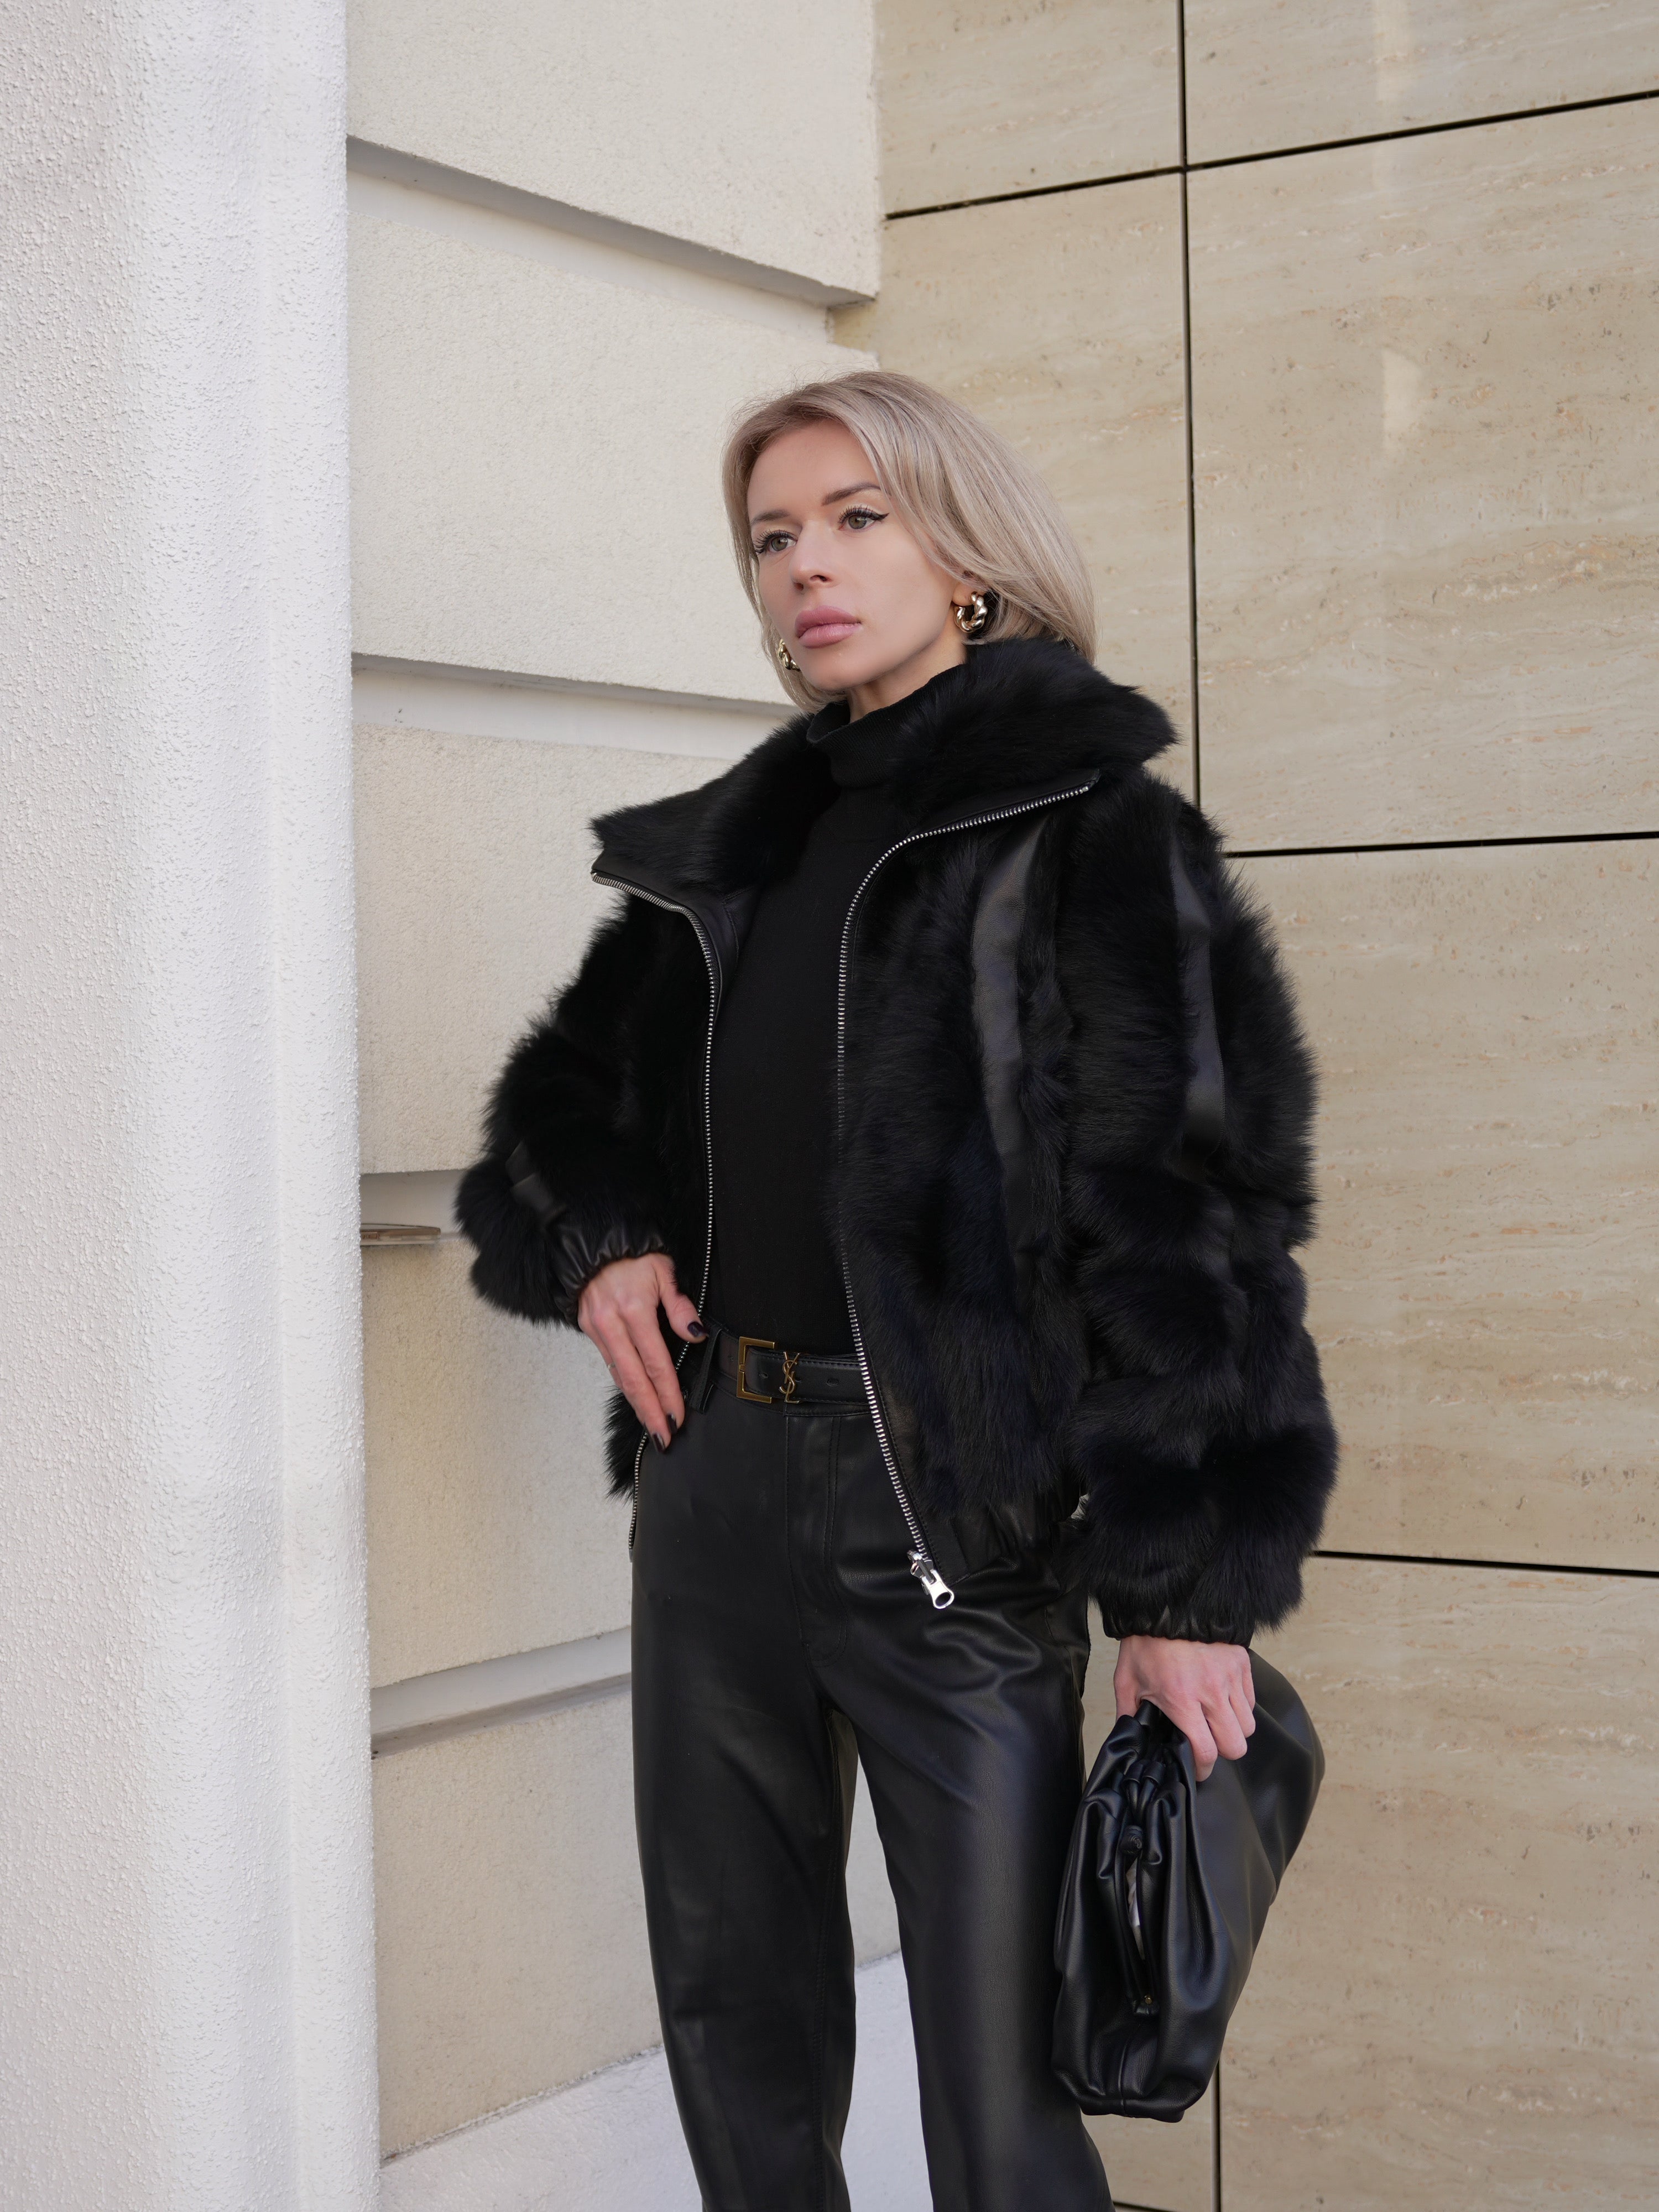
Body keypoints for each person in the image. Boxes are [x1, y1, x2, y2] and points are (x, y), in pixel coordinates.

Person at [458, 370, 1337, 2212]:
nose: (808, 566)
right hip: (713, 1489)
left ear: (967, 552)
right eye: (773, 535)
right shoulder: (732, 852)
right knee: (740, 2043)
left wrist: (1185, 1593)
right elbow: (557, 1113)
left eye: (857, 517)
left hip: (951, 1517)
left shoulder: (1094, 829)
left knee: (1003, 2095)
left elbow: (1195, 1222)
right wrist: (601, 1237)